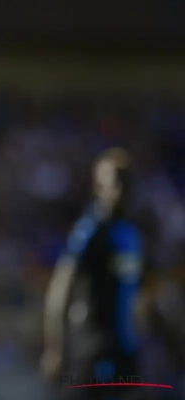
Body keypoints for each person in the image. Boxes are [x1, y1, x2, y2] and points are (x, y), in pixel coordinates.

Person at [42, 148, 145, 400]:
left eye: (126, 181)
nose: (121, 189)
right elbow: (61, 287)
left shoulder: (132, 232)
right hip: (92, 344)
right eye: (115, 181)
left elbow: (135, 290)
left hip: (125, 347)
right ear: (100, 186)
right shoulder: (90, 230)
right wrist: (55, 347)